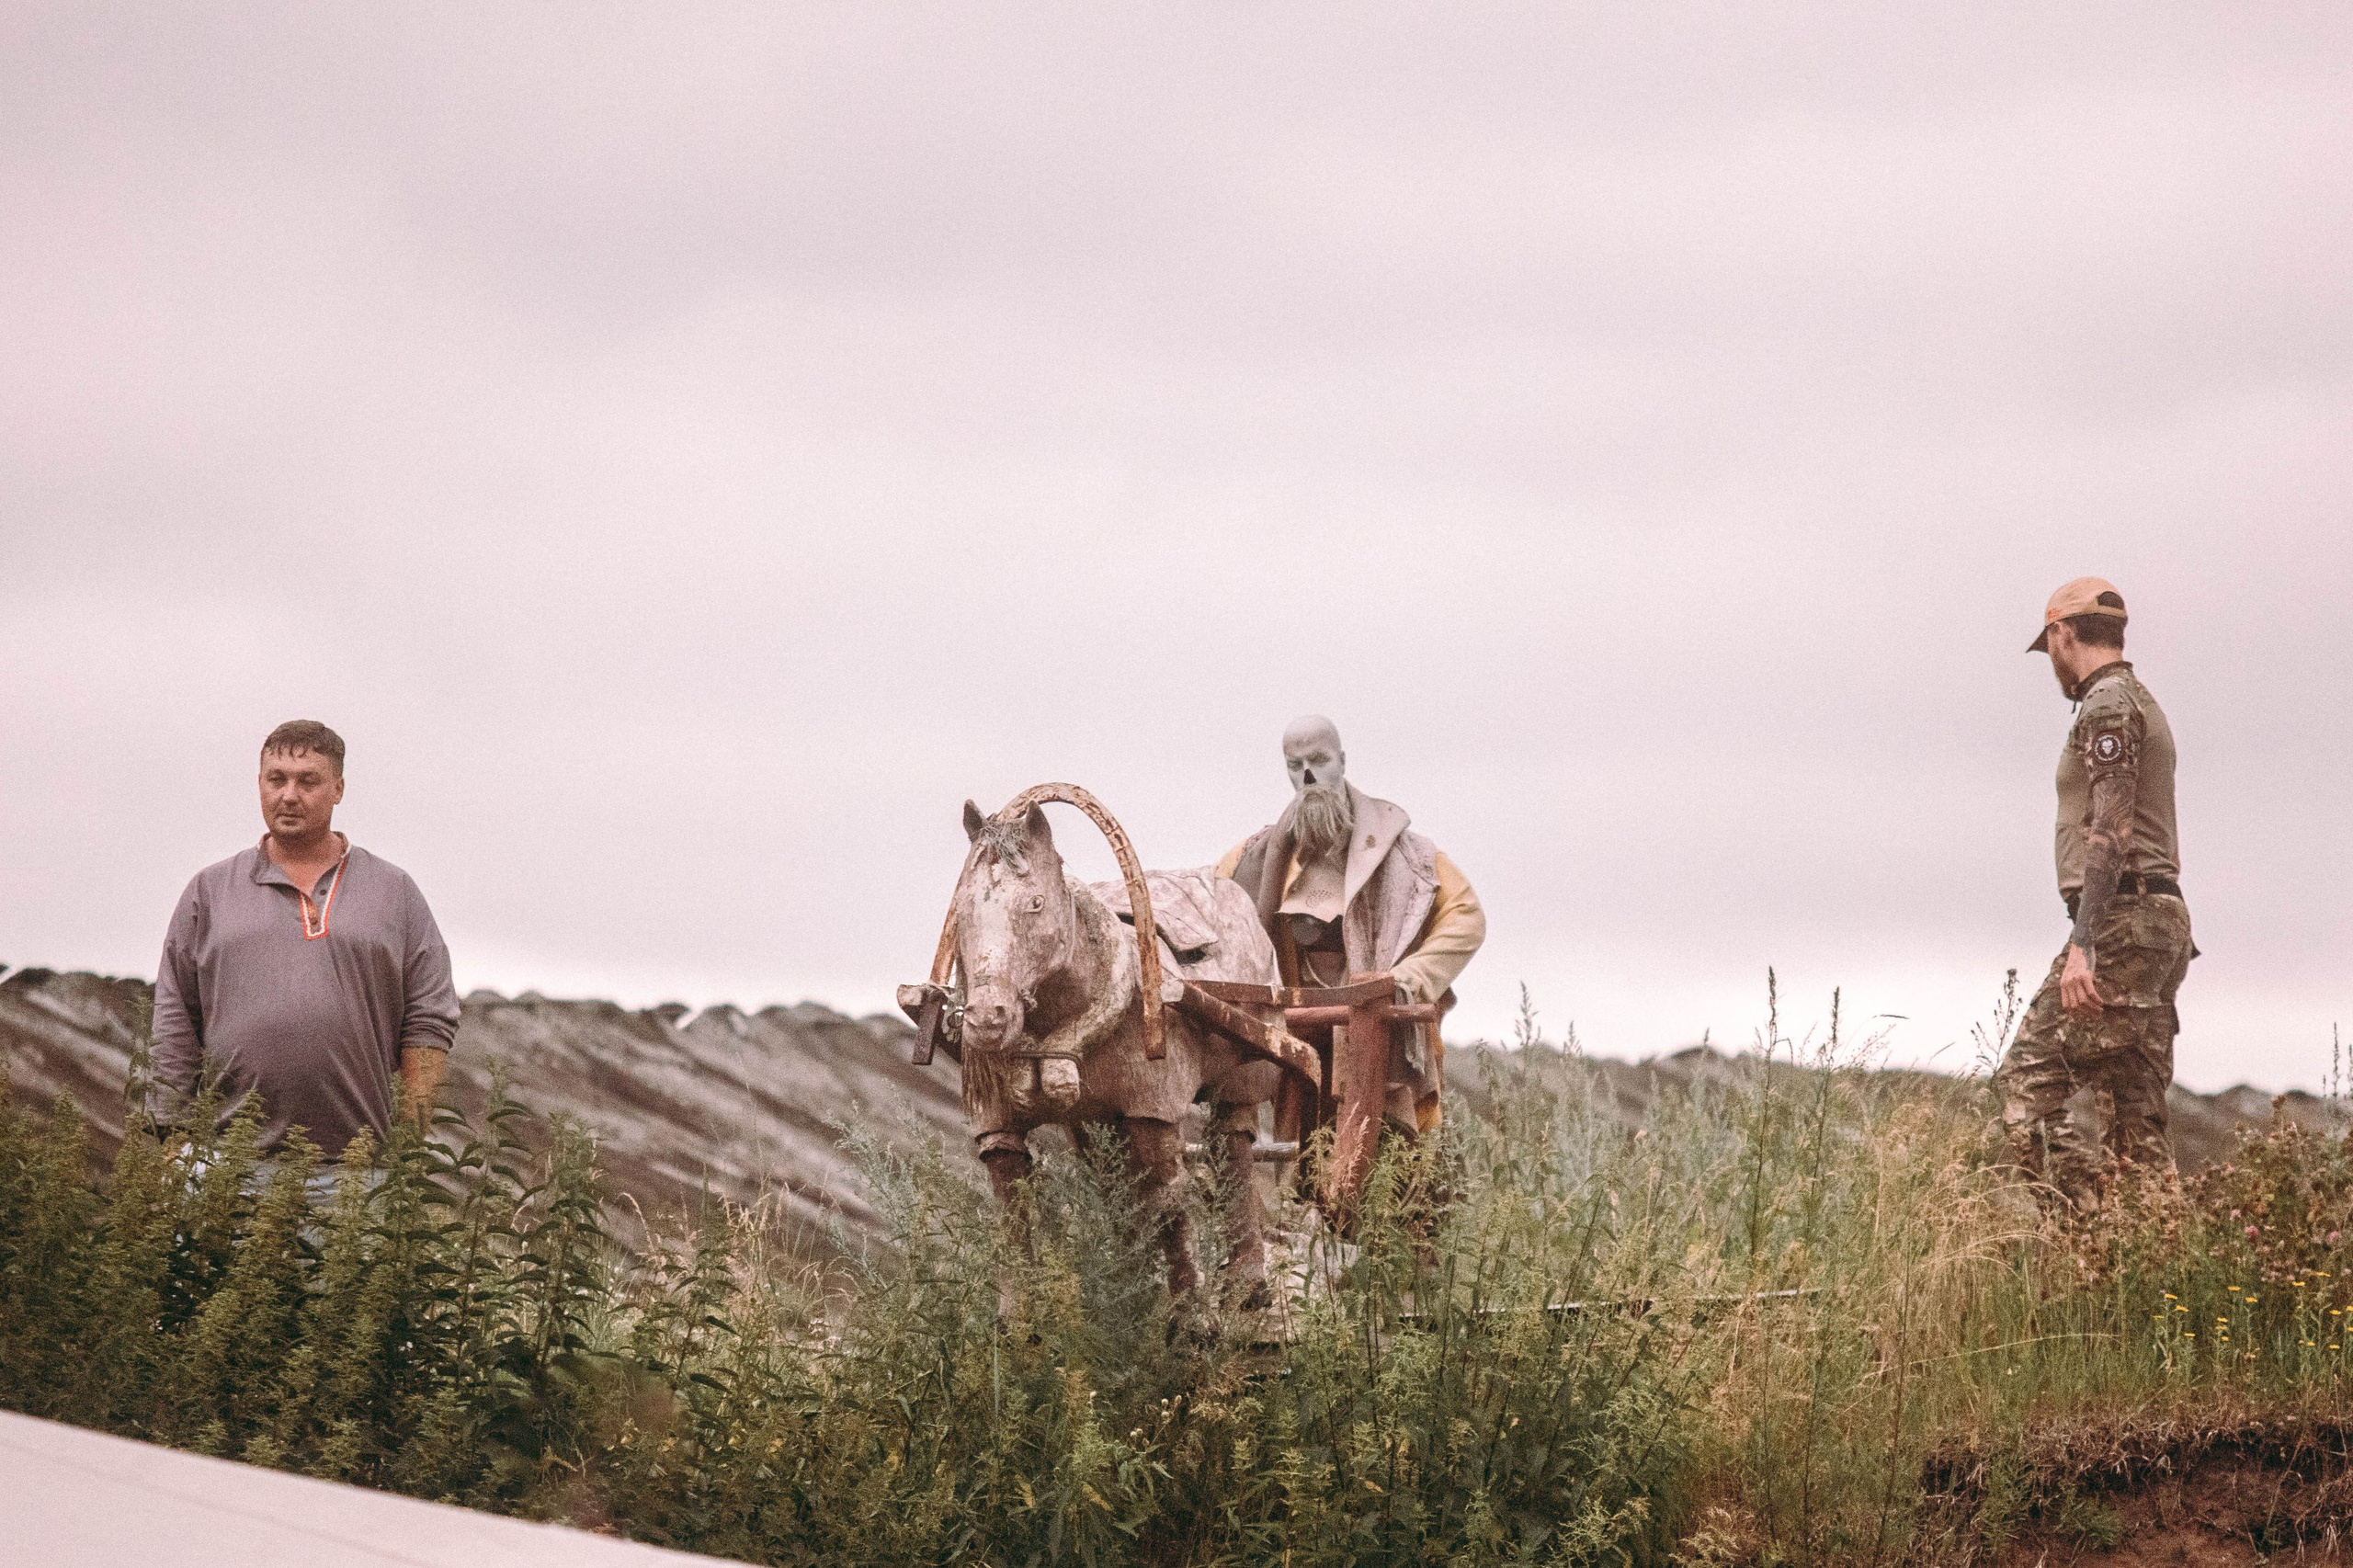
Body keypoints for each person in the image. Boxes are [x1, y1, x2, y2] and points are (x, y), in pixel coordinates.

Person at [152, 721, 460, 1166]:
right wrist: (171, 1141)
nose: (289, 795)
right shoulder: (210, 891)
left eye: (308, 781)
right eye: (276, 779)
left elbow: (429, 1016)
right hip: (227, 1167)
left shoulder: (394, 891)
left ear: (338, 788)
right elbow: (174, 1015)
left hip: (357, 1177)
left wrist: (406, 1147)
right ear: (259, 784)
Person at [1992, 579, 2194, 1205]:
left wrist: (2085, 945)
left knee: (2022, 1095)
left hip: (2121, 923)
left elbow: (2112, 826)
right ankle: (2153, 1270)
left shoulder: (2107, 704)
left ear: (2063, 634)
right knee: (2137, 1124)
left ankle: (2086, 1233)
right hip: (2153, 920)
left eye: (2049, 642)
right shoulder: (2138, 701)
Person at [1216, 715, 1485, 1135]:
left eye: (1319, 760)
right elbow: (1213, 915)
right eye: (1294, 764)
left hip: (1376, 1035)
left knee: (1395, 1165)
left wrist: (1408, 978)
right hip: (1295, 1043)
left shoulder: (1407, 857)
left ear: (1341, 760)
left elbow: (1466, 916)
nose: (1308, 776)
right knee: (1298, 1163)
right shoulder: (1249, 861)